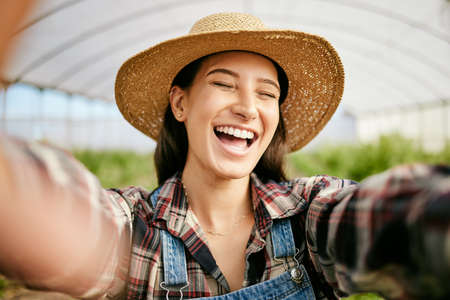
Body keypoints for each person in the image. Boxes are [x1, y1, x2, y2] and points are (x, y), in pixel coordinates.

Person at [0, 11, 449, 300]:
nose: (248, 108)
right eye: (223, 83)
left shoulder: (307, 215)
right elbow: (65, 213)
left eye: (266, 93)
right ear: (180, 103)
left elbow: (390, 218)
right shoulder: (136, 230)